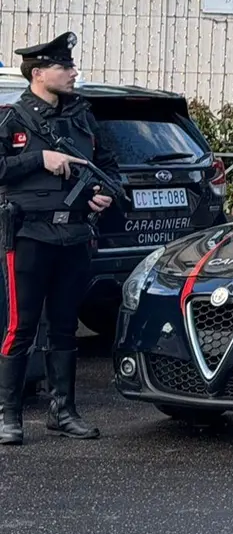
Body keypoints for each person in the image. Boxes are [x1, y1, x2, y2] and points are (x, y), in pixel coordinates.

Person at [0, 32, 120, 445]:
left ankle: (63, 412)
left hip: (74, 234)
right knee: (22, 327)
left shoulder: (83, 118)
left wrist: (104, 195)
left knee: (66, 327)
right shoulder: (12, 120)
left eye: (71, 65)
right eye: (63, 66)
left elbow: (108, 165)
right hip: (30, 235)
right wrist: (40, 159)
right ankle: (9, 416)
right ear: (38, 73)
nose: (72, 72)